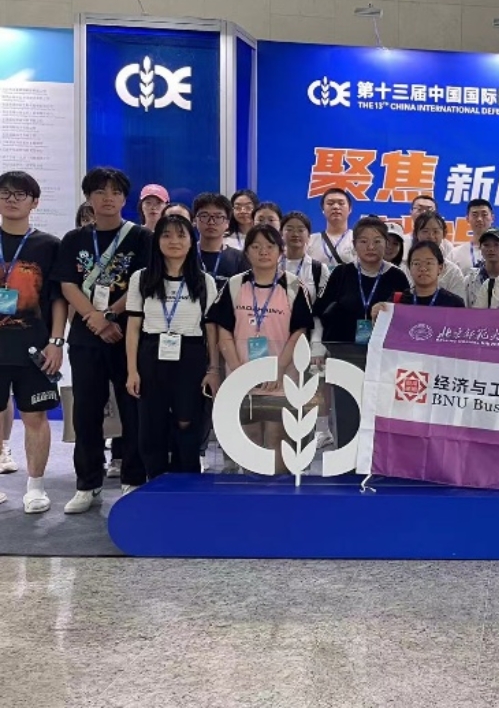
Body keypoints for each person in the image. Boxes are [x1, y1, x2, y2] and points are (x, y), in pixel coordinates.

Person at [53, 167, 152, 513]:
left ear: (125, 198)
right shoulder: (74, 239)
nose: (107, 198)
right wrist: (95, 318)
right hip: (86, 338)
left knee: (132, 409)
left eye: (115, 192)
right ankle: (87, 483)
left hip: (129, 337)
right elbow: (67, 284)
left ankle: (133, 478)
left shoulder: (141, 237)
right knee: (86, 412)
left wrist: (110, 314)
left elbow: (143, 281)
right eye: (100, 191)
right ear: (88, 198)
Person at [208, 225, 313, 471]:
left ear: (280, 251)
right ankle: (251, 491)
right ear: (247, 252)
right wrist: (239, 371)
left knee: (278, 438)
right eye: (256, 247)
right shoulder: (235, 285)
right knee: (250, 439)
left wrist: (279, 369)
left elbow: (299, 333)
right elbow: (223, 330)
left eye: (270, 246)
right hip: (241, 378)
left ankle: (277, 491)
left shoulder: (294, 286)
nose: (263, 252)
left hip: (282, 380)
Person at [125, 215, 219, 479]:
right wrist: (132, 371)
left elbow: (211, 330)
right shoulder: (141, 278)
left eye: (181, 235)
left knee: (187, 422)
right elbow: (133, 328)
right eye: (166, 235)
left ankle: (186, 482)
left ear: (191, 241)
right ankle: (154, 481)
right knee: (150, 424)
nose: (174, 241)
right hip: (151, 353)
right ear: (157, 241)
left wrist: (213, 368)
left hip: (191, 354)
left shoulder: (204, 281)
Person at [0, 172, 65, 512]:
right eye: (5, 193)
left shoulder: (48, 246)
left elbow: (58, 299)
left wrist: (57, 341)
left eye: (20, 194)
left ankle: (36, 487)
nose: (12, 199)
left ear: (35, 202)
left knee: (35, 416)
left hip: (34, 349)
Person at [315, 216, 410, 346]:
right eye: (364, 241)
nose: (370, 247)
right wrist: (317, 345)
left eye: (377, 241)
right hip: (342, 349)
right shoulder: (341, 273)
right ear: (354, 244)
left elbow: (406, 318)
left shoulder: (397, 276)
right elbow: (319, 312)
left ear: (386, 243)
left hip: (383, 350)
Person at [193, 193, 248, 288]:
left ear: (227, 223)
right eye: (204, 216)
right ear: (195, 221)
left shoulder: (240, 258)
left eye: (218, 217)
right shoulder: (186, 255)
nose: (211, 222)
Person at [412, 211, 468, 298]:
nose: (430, 236)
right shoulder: (406, 267)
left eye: (436, 231)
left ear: (444, 234)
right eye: (425, 231)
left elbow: (459, 303)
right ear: (416, 234)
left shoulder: (453, 272)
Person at [280, 211, 329, 303]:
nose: (295, 234)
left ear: (309, 236)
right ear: (281, 234)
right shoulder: (272, 266)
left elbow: (323, 303)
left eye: (300, 230)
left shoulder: (319, 269)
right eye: (289, 229)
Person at [397, 242, 466, 307]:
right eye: (416, 263)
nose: (423, 268)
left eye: (429, 263)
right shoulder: (398, 301)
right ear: (410, 268)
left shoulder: (454, 303)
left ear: (440, 268)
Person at [307, 187, 355, 266]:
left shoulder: (357, 239)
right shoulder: (310, 241)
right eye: (330, 203)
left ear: (350, 209)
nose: (336, 207)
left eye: (341, 203)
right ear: (323, 209)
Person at [448, 198, 495, 272]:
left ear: (492, 218)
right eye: (475, 215)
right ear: (467, 219)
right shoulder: (455, 254)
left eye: (484, 215)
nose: (479, 219)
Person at [465, 228, 499, 307]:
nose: (491, 249)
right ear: (480, 248)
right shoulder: (470, 280)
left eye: (496, 245)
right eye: (486, 245)